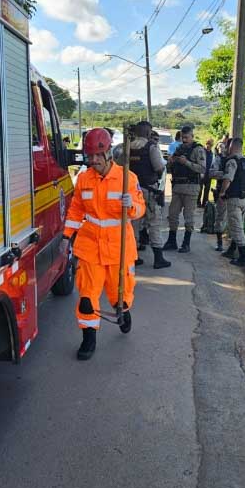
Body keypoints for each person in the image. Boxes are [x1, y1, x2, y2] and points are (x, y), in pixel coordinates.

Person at [63, 128, 146, 361]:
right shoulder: (84, 178)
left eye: (98, 155)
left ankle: (124, 312)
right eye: (90, 156)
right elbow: (76, 209)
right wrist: (66, 234)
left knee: (119, 294)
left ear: (109, 152)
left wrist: (131, 205)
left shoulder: (127, 178)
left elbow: (140, 209)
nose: (94, 160)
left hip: (119, 247)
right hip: (90, 246)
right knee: (87, 298)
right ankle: (89, 339)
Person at [113, 121, 170, 269]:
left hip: (131, 192)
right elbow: (159, 167)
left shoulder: (127, 147)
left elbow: (118, 167)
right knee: (154, 223)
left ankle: (133, 257)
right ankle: (158, 258)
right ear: (148, 133)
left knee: (133, 224)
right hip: (148, 191)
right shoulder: (151, 147)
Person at [163, 125, 207, 253]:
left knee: (188, 216)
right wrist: (171, 161)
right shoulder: (179, 148)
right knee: (172, 215)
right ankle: (172, 241)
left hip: (191, 187)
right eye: (183, 137)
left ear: (192, 136)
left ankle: (186, 243)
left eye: (187, 137)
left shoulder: (198, 149)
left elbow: (203, 169)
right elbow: (171, 166)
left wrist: (186, 162)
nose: (184, 140)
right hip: (178, 186)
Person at [218, 137, 245, 266]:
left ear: (232, 147)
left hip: (234, 199)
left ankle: (244, 257)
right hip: (244, 198)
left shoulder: (232, 162)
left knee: (236, 227)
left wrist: (222, 192)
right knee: (238, 225)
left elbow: (228, 178)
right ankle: (231, 250)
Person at [198, 138, 215, 207]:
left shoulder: (212, 154)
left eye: (210, 145)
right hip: (201, 173)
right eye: (207, 144)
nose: (208, 146)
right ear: (205, 144)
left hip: (208, 174)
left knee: (207, 190)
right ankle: (198, 202)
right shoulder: (201, 151)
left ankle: (205, 203)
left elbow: (213, 164)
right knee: (200, 189)